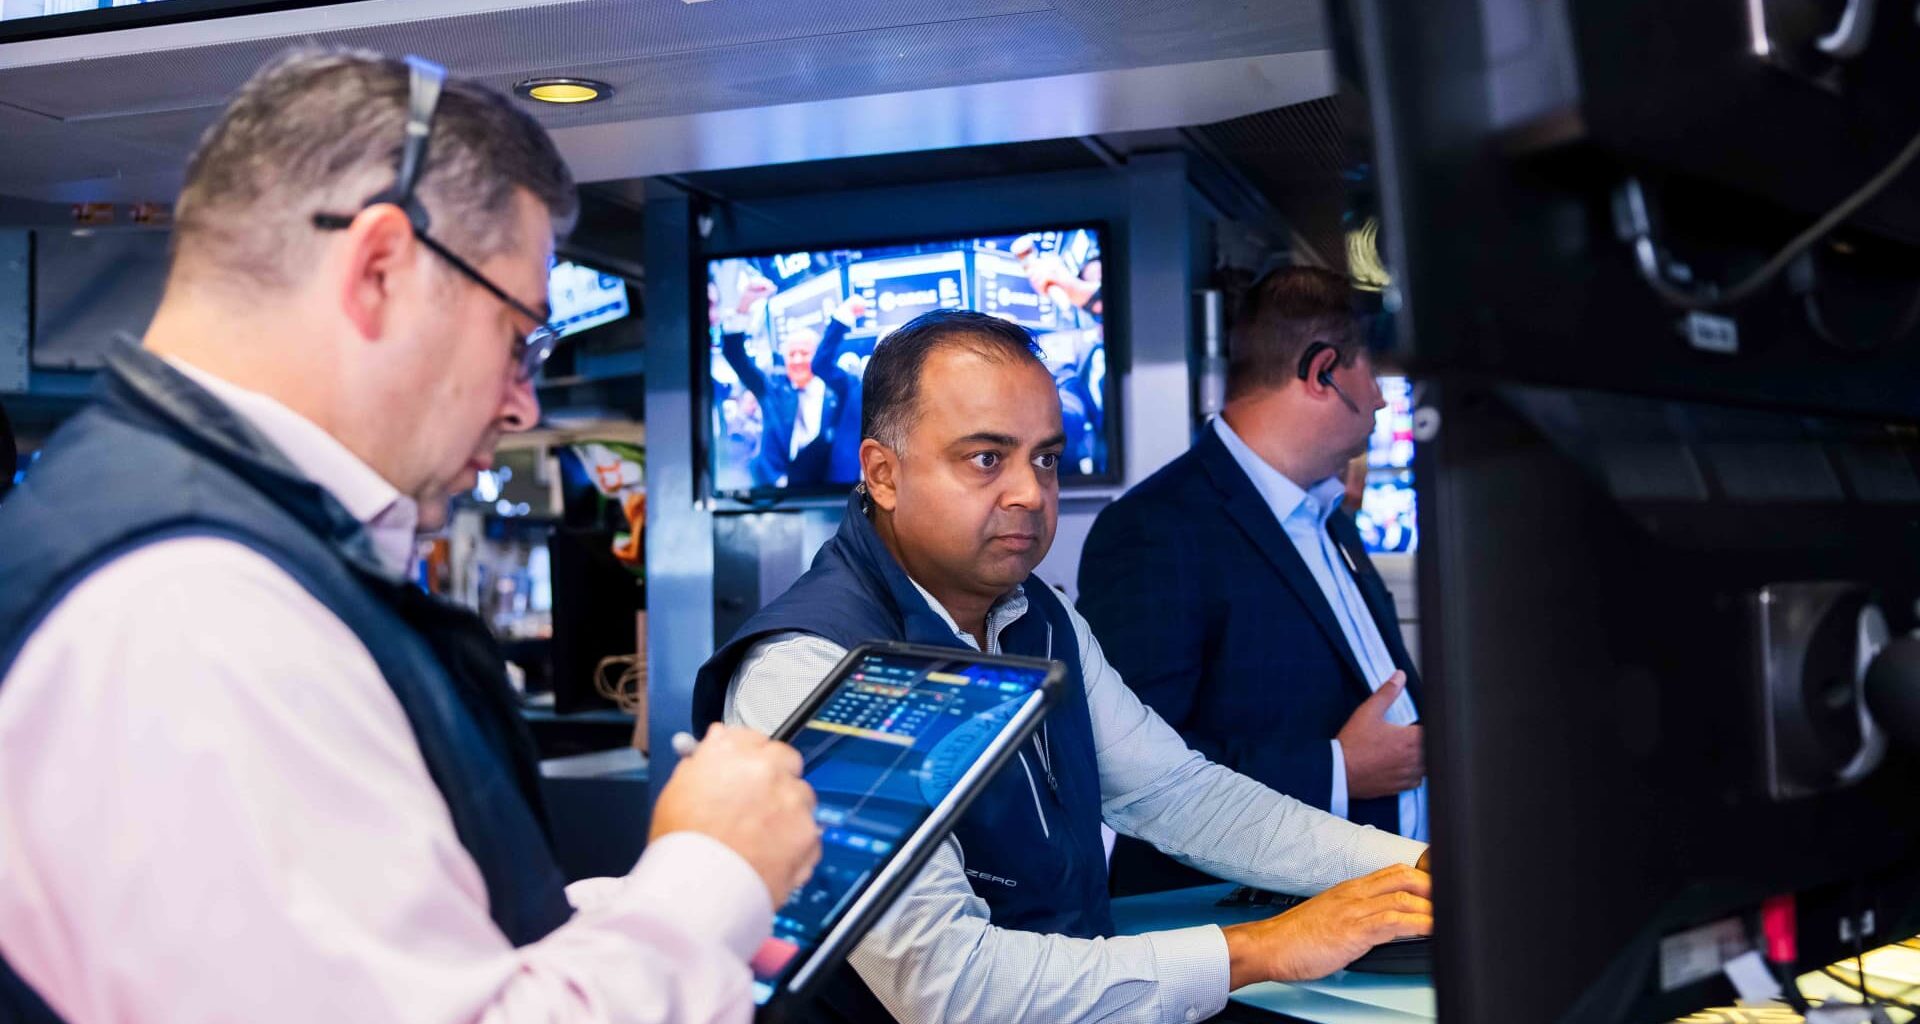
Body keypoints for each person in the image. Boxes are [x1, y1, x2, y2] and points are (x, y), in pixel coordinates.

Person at [0, 48, 819, 1024]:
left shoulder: (196, 540)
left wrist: (631, 915)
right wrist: (711, 875)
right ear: (380, 267)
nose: (522, 404)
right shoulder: (195, 610)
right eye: (518, 338)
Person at [693, 309, 1432, 1024]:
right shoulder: (814, 665)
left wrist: (1417, 868)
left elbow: (1174, 792)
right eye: (986, 458)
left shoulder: (1039, 617)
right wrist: (1264, 947)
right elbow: (947, 988)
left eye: (1044, 459)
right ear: (883, 474)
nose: (1029, 493)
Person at [1078, 266, 1426, 896]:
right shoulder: (1157, 528)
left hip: (1382, 902)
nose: (1379, 399)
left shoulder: (1327, 515)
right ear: (1322, 372)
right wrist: (1337, 770)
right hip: (1243, 919)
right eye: (1371, 374)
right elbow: (1128, 765)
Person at [717, 283, 865, 488]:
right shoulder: (772, 389)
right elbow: (736, 356)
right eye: (791, 354)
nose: (797, 360)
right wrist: (744, 305)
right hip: (772, 492)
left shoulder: (837, 393)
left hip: (824, 493)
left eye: (804, 353)